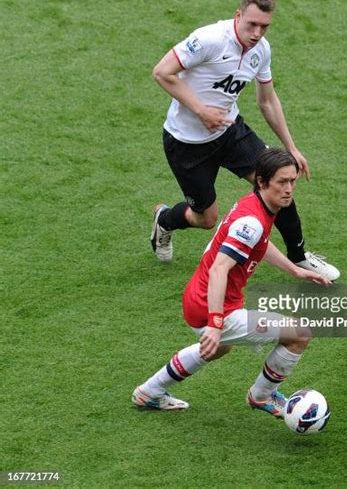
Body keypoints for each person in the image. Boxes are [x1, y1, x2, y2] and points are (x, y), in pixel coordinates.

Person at [150, 0, 340, 281]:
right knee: (205, 218)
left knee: (279, 179)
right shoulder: (209, 40)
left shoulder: (261, 50)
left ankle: (299, 256)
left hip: (230, 132)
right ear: (238, 15)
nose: (257, 32)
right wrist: (201, 110)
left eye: (264, 26)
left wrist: (292, 148)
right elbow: (162, 72)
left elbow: (267, 100)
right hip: (187, 143)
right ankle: (164, 220)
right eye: (251, 24)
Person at [132, 148, 331, 415]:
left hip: (198, 296)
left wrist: (295, 271)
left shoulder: (255, 204)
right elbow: (219, 270)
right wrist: (215, 324)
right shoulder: (252, 222)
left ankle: (149, 392)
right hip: (215, 308)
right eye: (282, 182)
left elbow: (259, 244)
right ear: (262, 181)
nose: (289, 189)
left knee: (218, 348)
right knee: (299, 335)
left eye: (292, 181)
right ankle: (262, 396)